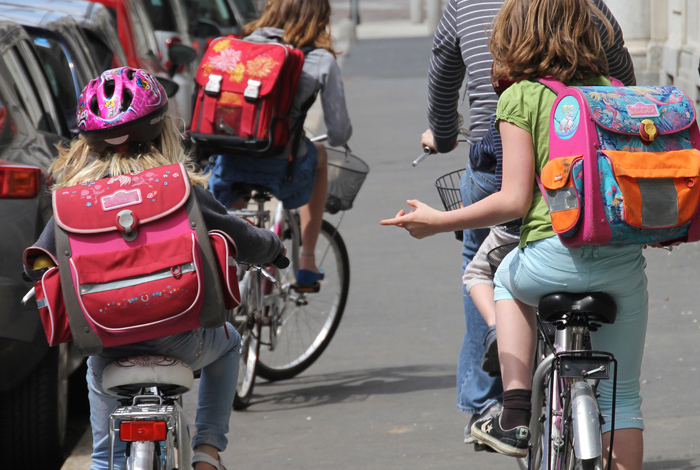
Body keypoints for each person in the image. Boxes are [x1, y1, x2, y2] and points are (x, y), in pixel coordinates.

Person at [382, 0, 648, 467]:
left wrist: (436, 221)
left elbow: (512, 201)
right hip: (621, 266)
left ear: (515, 34)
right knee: (623, 404)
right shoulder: (612, 92)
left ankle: (516, 409)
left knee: (502, 279)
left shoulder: (520, 97)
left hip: (549, 257)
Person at [24, 67, 286, 470]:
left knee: (103, 457)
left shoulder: (71, 201)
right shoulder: (178, 187)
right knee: (229, 340)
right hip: (181, 342)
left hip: (107, 346)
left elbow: (40, 258)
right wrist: (271, 249)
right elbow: (240, 235)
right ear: (162, 129)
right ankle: (207, 451)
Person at [207, 0, 352, 289]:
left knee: (237, 199)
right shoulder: (320, 58)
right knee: (321, 154)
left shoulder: (238, 47)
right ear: (319, 18)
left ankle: (235, 262)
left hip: (229, 163)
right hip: (284, 169)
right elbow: (338, 132)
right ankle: (307, 260)